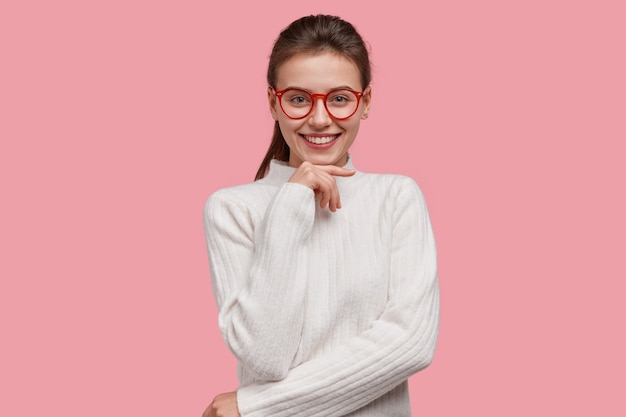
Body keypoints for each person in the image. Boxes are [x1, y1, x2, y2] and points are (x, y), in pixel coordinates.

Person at [202, 14, 439, 417]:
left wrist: (259, 406)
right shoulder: (232, 209)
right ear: (273, 103)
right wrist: (292, 201)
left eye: (340, 98)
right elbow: (266, 356)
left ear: (364, 103)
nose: (319, 118)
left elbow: (410, 344)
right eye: (298, 99)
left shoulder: (396, 197)